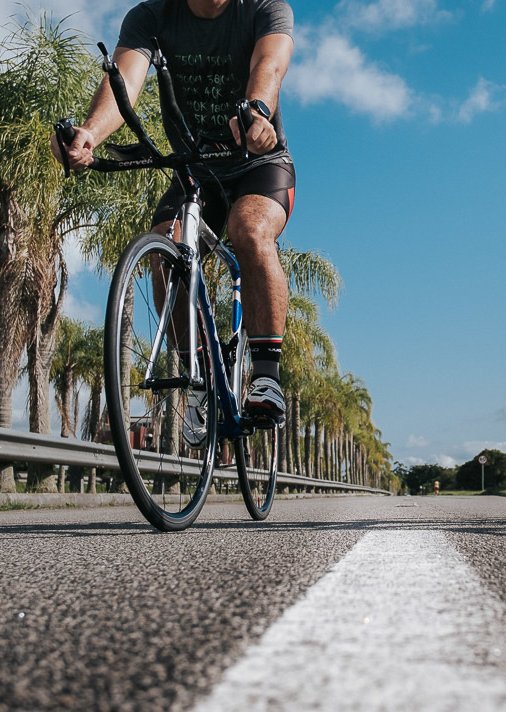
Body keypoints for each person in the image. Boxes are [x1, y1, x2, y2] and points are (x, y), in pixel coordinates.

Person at [50, 0, 295, 443]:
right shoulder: (152, 16)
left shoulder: (265, 8)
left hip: (258, 161)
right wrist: (89, 133)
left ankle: (266, 376)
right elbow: (126, 78)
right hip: (194, 169)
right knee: (165, 246)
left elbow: (269, 62)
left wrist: (256, 110)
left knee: (250, 231)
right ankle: (199, 376)